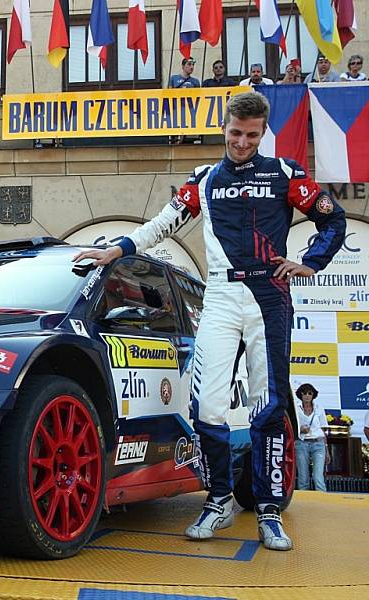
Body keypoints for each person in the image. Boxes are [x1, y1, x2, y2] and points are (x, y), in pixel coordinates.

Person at [73, 91, 346, 551]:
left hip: (269, 293)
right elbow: (161, 223)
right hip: (219, 293)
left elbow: (333, 220)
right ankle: (218, 498)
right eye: (236, 133)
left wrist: (310, 262)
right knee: (207, 407)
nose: (242, 143)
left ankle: (268, 509)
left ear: (263, 133)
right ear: (225, 128)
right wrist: (116, 250)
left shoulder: (285, 173)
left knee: (271, 405)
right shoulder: (203, 180)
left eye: (252, 135)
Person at [294, 383, 329, 492]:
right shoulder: (296, 409)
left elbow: (323, 430)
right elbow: (291, 427)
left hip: (318, 444)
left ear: (313, 395)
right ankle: (303, 503)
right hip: (301, 443)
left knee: (318, 477)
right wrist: (300, 430)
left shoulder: (319, 408)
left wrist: (326, 449)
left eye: (310, 393)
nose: (307, 396)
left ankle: (323, 503)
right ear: (300, 395)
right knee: (303, 478)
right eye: (304, 393)